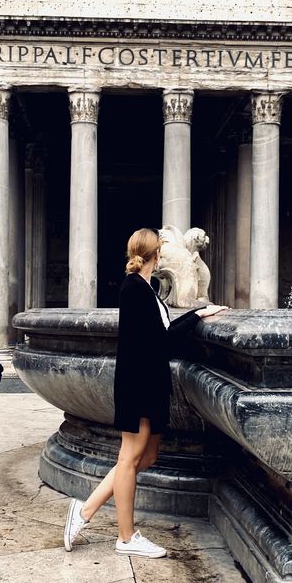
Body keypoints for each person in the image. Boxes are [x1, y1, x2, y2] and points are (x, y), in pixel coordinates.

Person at [63, 228, 226, 559]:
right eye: (162, 248)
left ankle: (85, 509)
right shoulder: (133, 289)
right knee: (129, 458)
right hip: (138, 383)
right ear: (157, 255)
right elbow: (162, 342)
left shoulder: (146, 288)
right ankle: (125, 536)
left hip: (149, 382)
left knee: (146, 457)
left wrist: (197, 314)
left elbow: (160, 335)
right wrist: (197, 315)